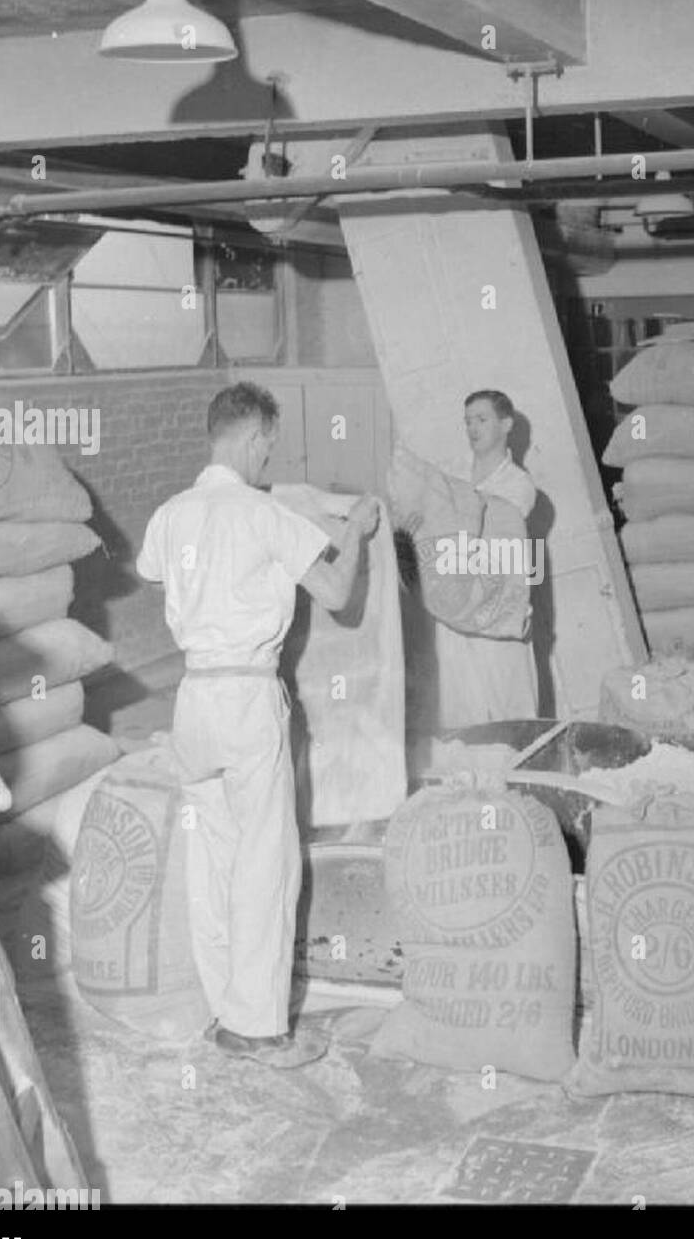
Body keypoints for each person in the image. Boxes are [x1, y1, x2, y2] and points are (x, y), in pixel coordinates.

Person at [136, 382, 379, 1069]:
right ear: (249, 437)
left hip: (193, 698)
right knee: (265, 864)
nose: (269, 458)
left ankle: (224, 1011)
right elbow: (338, 596)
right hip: (246, 696)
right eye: (268, 444)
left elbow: (155, 573)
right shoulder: (262, 515)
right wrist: (352, 536)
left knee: (213, 858)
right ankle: (260, 1028)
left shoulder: (171, 514)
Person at [431, 390, 540, 730]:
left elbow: (482, 534)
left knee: (508, 707)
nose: (472, 428)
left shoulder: (518, 485)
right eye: (467, 421)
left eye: (481, 419)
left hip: (496, 609)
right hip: (454, 609)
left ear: (506, 424)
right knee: (460, 709)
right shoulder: (452, 473)